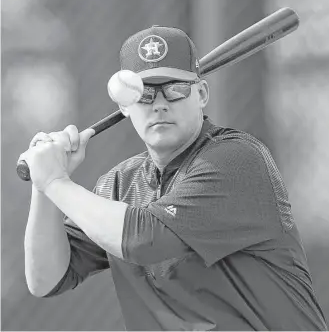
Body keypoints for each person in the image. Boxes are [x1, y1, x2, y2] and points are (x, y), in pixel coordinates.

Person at [21, 25, 327, 331]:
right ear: (125, 107)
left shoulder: (236, 159)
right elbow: (46, 279)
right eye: (144, 94)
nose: (160, 103)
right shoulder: (119, 185)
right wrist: (42, 185)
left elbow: (144, 238)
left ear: (202, 94)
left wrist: (56, 181)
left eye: (176, 88)